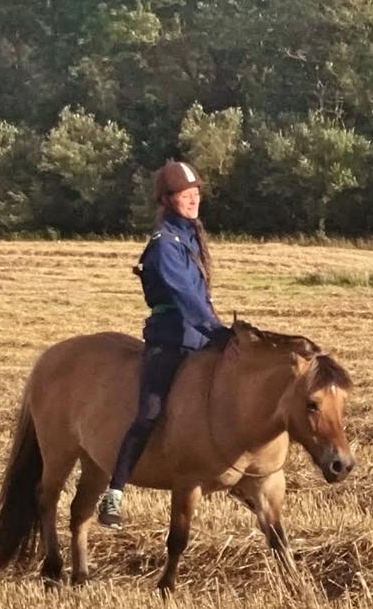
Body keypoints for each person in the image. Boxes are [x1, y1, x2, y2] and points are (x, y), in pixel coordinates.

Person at [97, 160, 232, 529]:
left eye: (195, 194)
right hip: (171, 339)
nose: (193, 200)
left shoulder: (191, 237)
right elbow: (186, 297)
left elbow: (201, 296)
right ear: (167, 199)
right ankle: (115, 492)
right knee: (150, 412)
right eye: (184, 195)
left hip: (200, 338)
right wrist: (216, 330)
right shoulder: (164, 245)